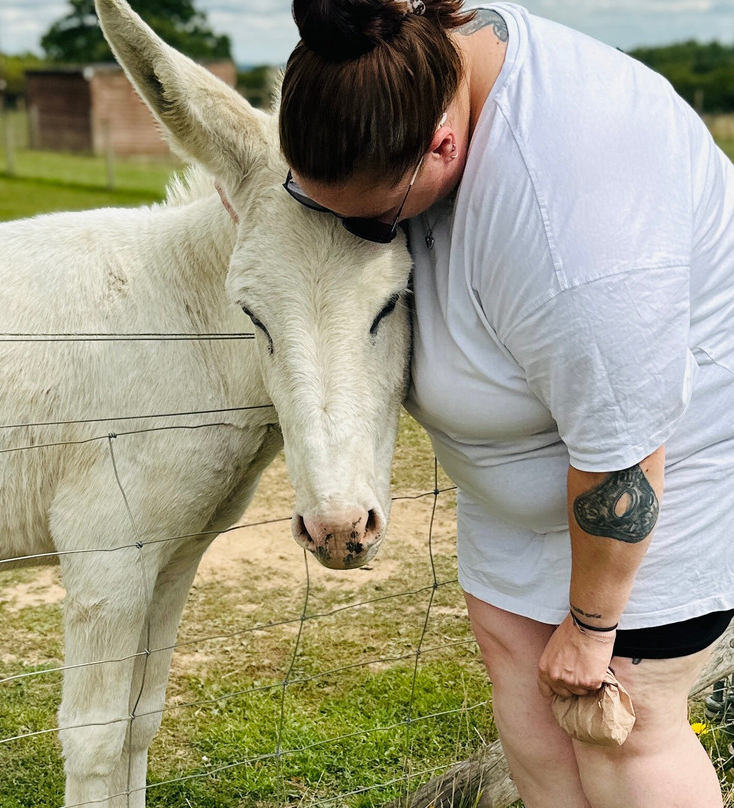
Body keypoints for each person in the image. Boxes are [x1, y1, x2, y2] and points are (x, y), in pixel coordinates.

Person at [278, 1, 734, 806]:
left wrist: (594, 627)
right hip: (525, 473)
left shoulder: (578, 219)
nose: (370, 233)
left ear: (443, 145)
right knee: (529, 715)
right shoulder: (393, 58)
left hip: (664, 476)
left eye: (379, 220)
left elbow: (623, 455)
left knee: (621, 728)